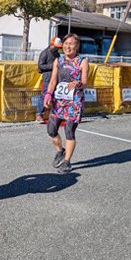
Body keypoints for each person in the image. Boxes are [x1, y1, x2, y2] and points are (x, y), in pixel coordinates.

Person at [43, 33, 89, 174]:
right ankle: (60, 151)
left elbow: (85, 83)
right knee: (51, 129)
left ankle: (67, 162)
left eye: (71, 44)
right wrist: (48, 94)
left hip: (74, 101)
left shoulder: (82, 61)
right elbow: (53, 81)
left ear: (77, 46)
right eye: (66, 43)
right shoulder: (59, 60)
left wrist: (78, 83)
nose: (68, 46)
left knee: (69, 130)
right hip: (59, 100)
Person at [36, 36, 62, 123]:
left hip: (56, 78)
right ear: (52, 45)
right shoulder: (44, 53)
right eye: (57, 47)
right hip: (47, 78)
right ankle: (39, 114)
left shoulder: (57, 54)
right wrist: (53, 66)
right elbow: (40, 66)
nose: (58, 49)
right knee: (44, 95)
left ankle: (54, 113)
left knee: (56, 96)